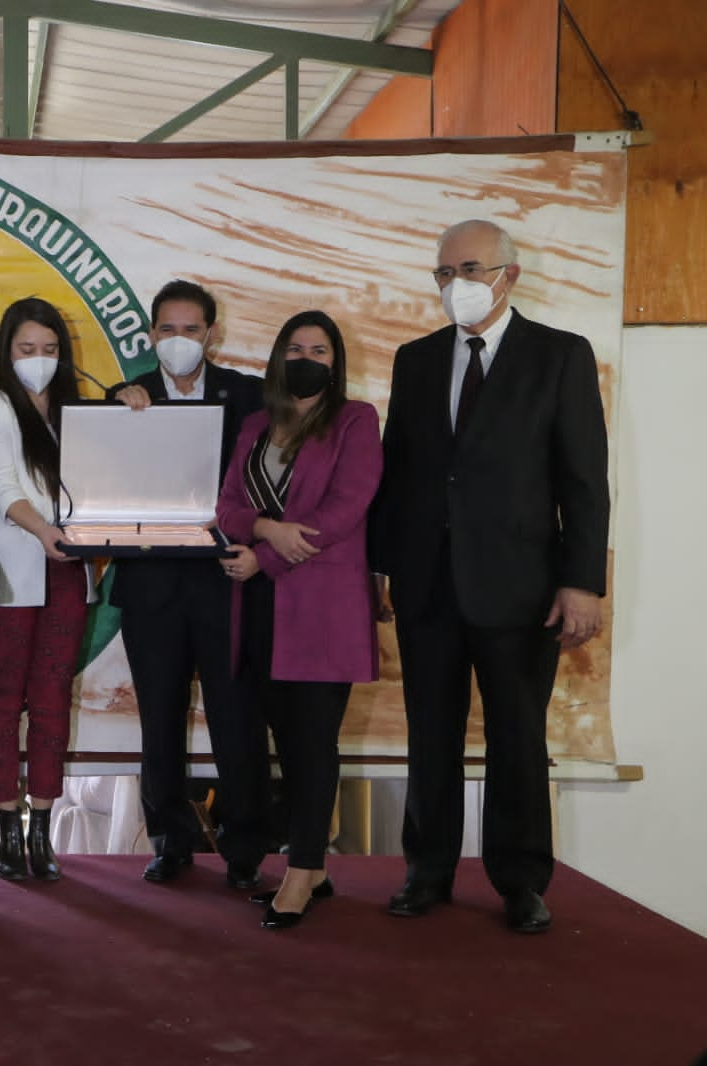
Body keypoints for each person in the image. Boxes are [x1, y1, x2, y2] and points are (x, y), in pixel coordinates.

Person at [372, 220, 609, 935]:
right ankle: (427, 870)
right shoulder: (414, 360)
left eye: (468, 269)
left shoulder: (560, 357)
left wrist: (583, 581)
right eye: (443, 273)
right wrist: (380, 568)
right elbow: (398, 475)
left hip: (522, 585)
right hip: (427, 584)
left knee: (516, 737)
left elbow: (584, 480)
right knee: (430, 734)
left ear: (509, 273)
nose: (456, 286)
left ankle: (520, 880)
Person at [215, 310, 381, 930]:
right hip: (258, 606)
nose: (305, 357)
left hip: (320, 606)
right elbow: (228, 503)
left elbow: (344, 510)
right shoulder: (258, 423)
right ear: (278, 357)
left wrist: (262, 557)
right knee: (284, 739)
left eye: (319, 349)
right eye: (295, 347)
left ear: (335, 363)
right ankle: (314, 865)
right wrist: (262, 530)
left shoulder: (355, 420)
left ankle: (302, 869)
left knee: (313, 740)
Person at [107, 280, 270, 889]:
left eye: (192, 330)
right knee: (160, 720)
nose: (180, 342)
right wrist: (119, 421)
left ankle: (246, 847)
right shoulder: (124, 398)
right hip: (151, 588)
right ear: (152, 336)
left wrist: (254, 544)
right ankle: (170, 841)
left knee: (237, 718)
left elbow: (266, 482)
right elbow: (107, 485)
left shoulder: (250, 397)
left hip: (225, 581)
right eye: (168, 331)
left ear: (212, 334)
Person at [0, 298, 94, 881]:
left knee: (51, 701)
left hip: (69, 569)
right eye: (26, 349)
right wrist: (43, 530)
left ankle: (42, 822)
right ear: (6, 352)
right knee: (2, 700)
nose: (38, 360)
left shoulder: (77, 412)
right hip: (12, 568)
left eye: (49, 349)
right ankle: (6, 822)